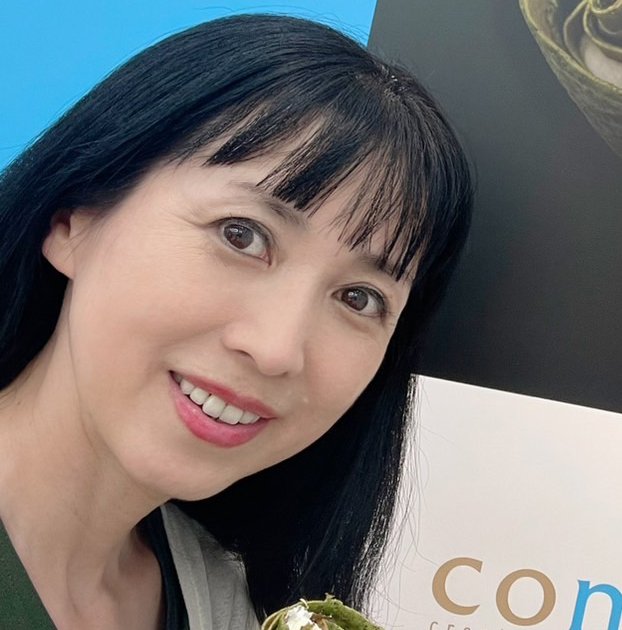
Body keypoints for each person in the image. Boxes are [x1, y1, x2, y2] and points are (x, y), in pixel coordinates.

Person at [0, 13, 473, 630]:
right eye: (242, 235)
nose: (277, 348)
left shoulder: (227, 604)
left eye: (359, 298)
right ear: (74, 220)